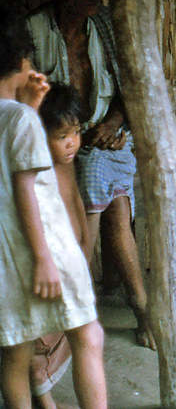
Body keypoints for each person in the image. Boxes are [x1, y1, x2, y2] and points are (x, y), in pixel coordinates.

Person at [26, 0, 155, 350]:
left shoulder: (103, 26)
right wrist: (64, 140)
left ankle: (90, 309)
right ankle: (139, 308)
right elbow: (23, 111)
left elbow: (130, 90)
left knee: (104, 183)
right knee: (106, 201)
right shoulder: (33, 32)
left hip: (105, 140)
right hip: (54, 151)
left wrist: (116, 122)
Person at [0, 9, 108, 409]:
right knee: (88, 336)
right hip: (44, 251)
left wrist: (29, 104)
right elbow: (25, 190)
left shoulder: (16, 116)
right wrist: (45, 258)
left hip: (5, 259)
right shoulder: (24, 122)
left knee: (15, 353)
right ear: (22, 60)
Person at [30, 83, 90, 407]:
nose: (72, 143)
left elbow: (76, 206)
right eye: (62, 136)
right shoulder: (37, 175)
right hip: (51, 271)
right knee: (39, 344)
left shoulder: (67, 165)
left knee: (73, 336)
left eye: (77, 132)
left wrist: (84, 247)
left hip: (73, 264)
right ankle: (44, 400)